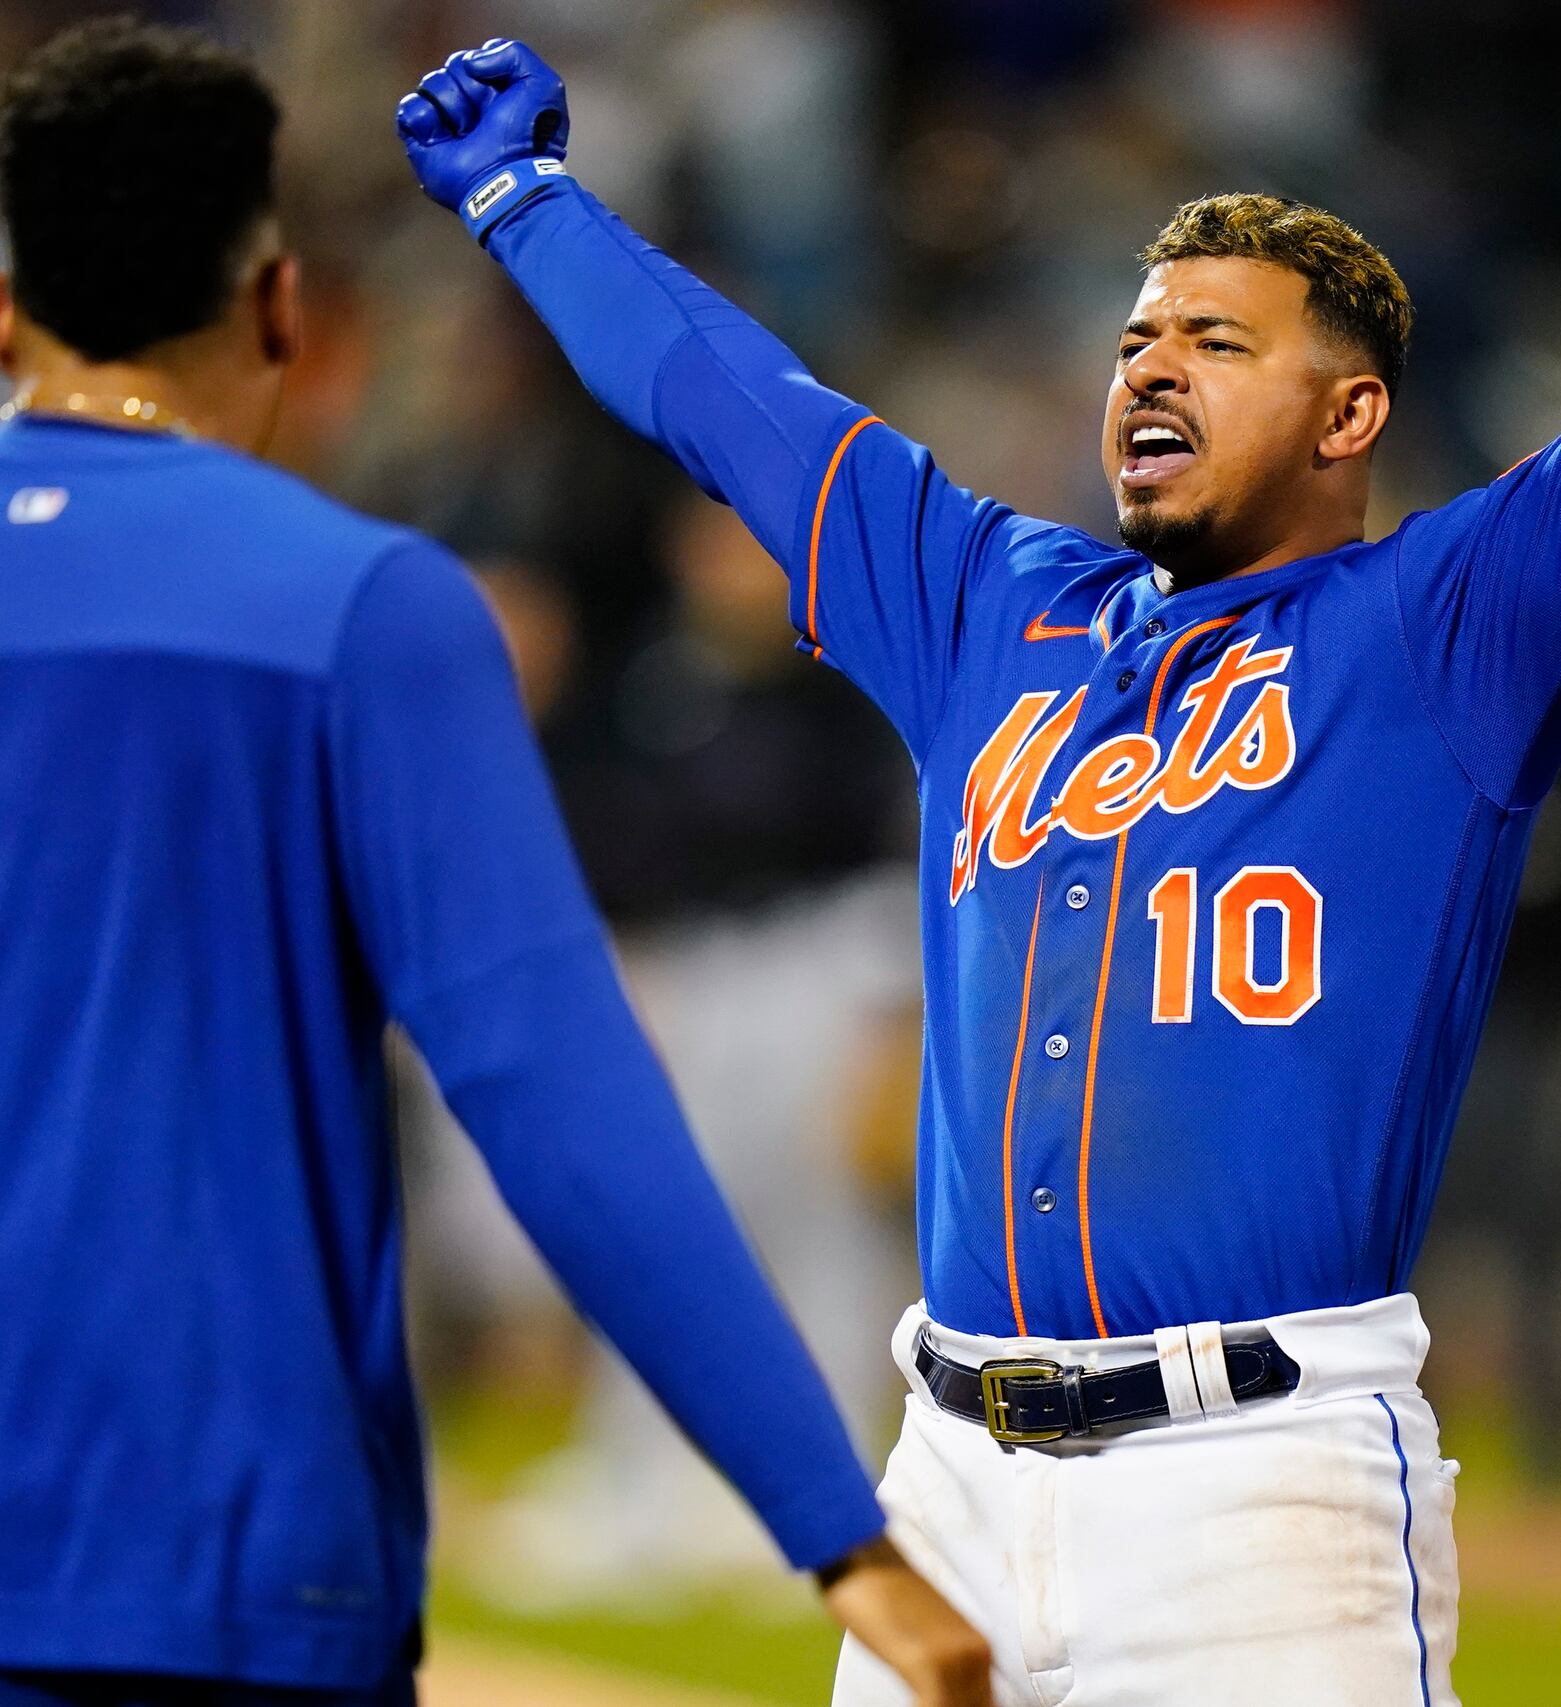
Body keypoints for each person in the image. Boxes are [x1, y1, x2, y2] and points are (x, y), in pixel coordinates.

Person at [395, 10, 1561, 1702]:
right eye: (1140, 338)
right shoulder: (988, 605)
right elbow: (728, 398)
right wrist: (526, 204)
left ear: (1350, 415)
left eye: (1217, 342)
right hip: (948, 1480)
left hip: (1262, 1493)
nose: (1148, 363)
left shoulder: (1450, 628)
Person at [0, 22, 988, 1707]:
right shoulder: (357, 607)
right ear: (285, 313)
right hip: (214, 1562)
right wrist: (841, 1534)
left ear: (10, 321)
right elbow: (553, 1087)